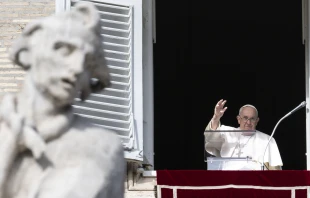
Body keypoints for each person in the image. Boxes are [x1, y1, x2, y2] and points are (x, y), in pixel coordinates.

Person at [204, 99, 283, 170]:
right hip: (228, 179)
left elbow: (275, 172)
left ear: (257, 120)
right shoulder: (227, 133)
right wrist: (216, 117)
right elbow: (210, 137)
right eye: (245, 118)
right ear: (238, 119)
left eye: (252, 119)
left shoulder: (267, 140)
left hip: (255, 181)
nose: (248, 122)